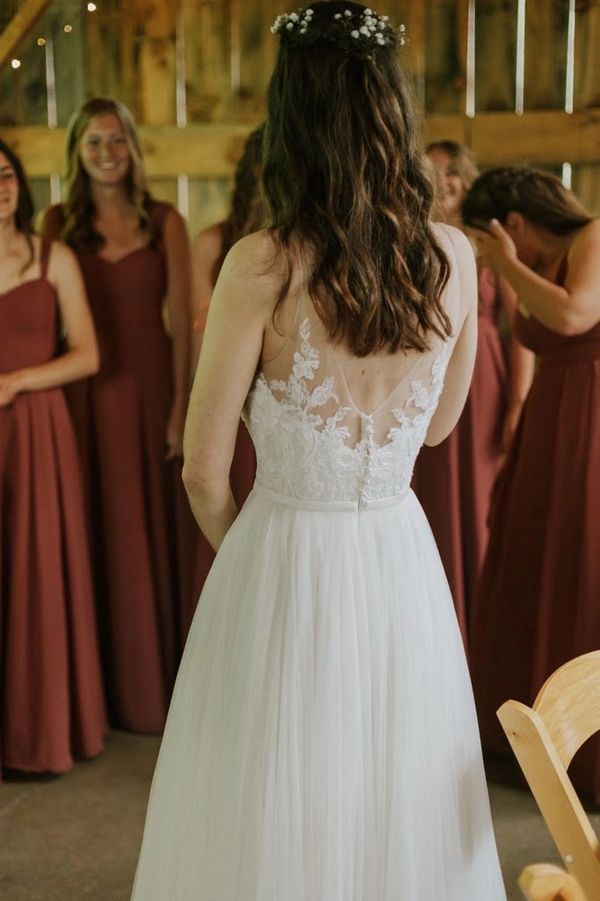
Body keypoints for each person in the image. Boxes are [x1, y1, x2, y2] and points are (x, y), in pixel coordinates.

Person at [132, 5, 506, 898]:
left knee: (269, 793)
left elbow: (202, 468)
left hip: (284, 554)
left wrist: (260, 555)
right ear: (393, 116)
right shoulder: (453, 257)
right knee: (393, 783)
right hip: (397, 555)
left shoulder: (262, 262)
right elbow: (442, 427)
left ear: (292, 123)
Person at [40, 97, 194, 734]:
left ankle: (150, 689)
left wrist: (184, 406)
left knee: (142, 532)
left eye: (117, 141)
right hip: (82, 394)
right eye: (94, 143)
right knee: (91, 527)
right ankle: (93, 693)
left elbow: (183, 325)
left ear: (132, 147)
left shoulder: (166, 222)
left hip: (151, 388)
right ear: (77, 152)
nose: (107, 153)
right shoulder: (56, 223)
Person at [464, 166, 600, 800]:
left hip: (591, 422)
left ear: (511, 226)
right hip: (550, 418)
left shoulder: (593, 235)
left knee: (580, 558)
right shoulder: (538, 265)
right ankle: (528, 737)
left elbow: (575, 318)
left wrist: (510, 265)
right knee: (530, 559)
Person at [0, 140, 107, 775]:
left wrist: (17, 383)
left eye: (7, 173)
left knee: (33, 572)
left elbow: (89, 354)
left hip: (37, 431)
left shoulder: (54, 257)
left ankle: (38, 732)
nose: (0, 185)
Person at [413, 141, 534, 644]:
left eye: (452, 173)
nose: (443, 182)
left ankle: (481, 623)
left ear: (466, 180)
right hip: (427, 379)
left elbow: (519, 322)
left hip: (484, 382)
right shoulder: (413, 242)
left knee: (479, 500)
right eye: (434, 173)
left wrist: (518, 401)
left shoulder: (488, 242)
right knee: (435, 498)